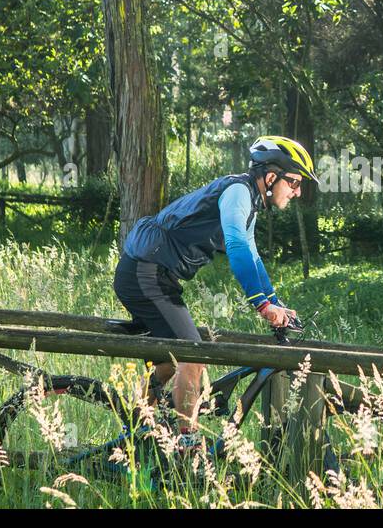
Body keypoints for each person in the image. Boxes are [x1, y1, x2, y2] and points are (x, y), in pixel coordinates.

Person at [112, 135, 316, 455]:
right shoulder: (238, 193)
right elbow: (235, 247)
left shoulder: (247, 198)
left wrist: (275, 303)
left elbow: (253, 256)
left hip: (154, 274)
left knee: (169, 361)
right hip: (145, 272)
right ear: (271, 176)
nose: (297, 191)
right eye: (294, 182)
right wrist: (262, 305)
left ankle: (135, 428)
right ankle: (187, 445)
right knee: (194, 356)